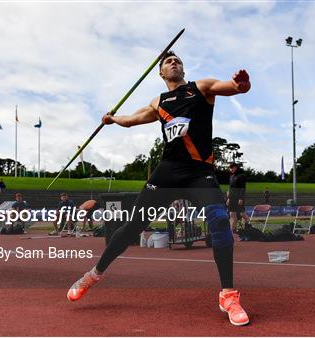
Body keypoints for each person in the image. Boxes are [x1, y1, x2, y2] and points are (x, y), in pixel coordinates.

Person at [66, 51, 251, 326]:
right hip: (167, 174)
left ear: (183, 69)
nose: (173, 63)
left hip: (199, 173)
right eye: (167, 62)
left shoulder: (201, 87)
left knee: (220, 220)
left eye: (177, 60)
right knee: (132, 227)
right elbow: (132, 120)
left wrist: (241, 83)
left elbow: (235, 88)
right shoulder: (158, 102)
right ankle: (92, 275)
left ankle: (228, 295)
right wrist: (113, 119)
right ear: (161, 73)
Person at [227, 163, 249, 232]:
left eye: (232, 167)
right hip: (232, 198)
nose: (231, 169)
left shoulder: (241, 176)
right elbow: (230, 187)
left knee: (242, 213)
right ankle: (233, 229)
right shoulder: (231, 176)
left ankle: (249, 225)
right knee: (232, 214)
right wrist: (228, 198)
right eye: (230, 168)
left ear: (236, 167)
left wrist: (241, 198)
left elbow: (243, 188)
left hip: (238, 198)